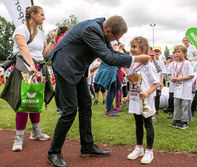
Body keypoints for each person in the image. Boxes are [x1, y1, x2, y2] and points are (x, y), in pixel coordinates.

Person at [48, 16, 150, 167]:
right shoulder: (91, 30)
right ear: (108, 30)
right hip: (65, 66)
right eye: (116, 38)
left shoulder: (102, 31)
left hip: (78, 68)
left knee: (85, 106)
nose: (114, 42)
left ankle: (87, 146)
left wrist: (131, 58)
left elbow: (113, 54)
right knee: (70, 110)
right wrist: (137, 59)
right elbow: (109, 57)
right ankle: (53, 152)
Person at [0, 5, 56, 151]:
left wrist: (52, 40)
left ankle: (35, 132)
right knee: (23, 102)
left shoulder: (41, 33)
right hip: (23, 68)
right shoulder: (21, 29)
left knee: (35, 100)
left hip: (38, 68)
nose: (44, 17)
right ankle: (18, 137)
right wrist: (31, 64)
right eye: (42, 14)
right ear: (33, 15)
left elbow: (44, 53)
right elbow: (23, 47)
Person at [123, 36, 159, 164]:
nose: (132, 49)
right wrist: (128, 96)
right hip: (134, 100)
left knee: (148, 124)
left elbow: (156, 83)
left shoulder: (148, 65)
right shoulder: (131, 64)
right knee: (138, 124)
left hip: (146, 102)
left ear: (143, 49)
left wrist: (147, 93)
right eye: (131, 46)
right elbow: (132, 82)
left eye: (134, 47)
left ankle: (149, 151)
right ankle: (139, 148)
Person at [168, 45, 194, 129]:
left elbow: (191, 76)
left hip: (185, 88)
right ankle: (177, 119)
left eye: (179, 52)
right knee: (176, 104)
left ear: (185, 54)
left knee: (184, 105)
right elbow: (168, 73)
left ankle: (184, 121)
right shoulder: (172, 64)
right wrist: (171, 78)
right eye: (175, 52)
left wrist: (180, 78)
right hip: (176, 88)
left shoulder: (187, 63)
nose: (176, 54)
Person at [52, 26, 69, 113]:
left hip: (56, 64)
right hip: (61, 65)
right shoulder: (63, 39)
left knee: (58, 87)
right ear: (65, 31)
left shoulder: (58, 38)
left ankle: (59, 107)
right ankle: (62, 107)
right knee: (62, 87)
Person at [152, 46, 167, 117]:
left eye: (158, 51)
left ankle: (156, 110)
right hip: (151, 82)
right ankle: (150, 109)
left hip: (158, 82)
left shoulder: (161, 62)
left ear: (160, 53)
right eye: (155, 51)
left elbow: (162, 73)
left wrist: (161, 82)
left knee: (157, 96)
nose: (156, 53)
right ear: (153, 52)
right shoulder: (150, 61)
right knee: (151, 96)